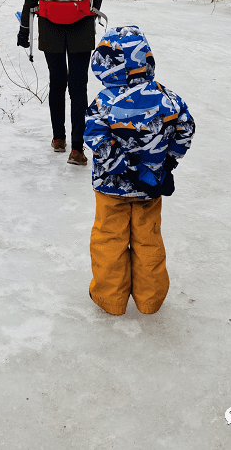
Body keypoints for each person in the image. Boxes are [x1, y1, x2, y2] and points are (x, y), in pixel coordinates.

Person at [83, 25, 195, 315]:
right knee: (148, 241)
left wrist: (121, 167)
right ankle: (150, 300)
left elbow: (95, 136)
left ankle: (111, 299)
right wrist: (168, 161)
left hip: (110, 189)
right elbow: (186, 128)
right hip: (150, 187)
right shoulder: (167, 98)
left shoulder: (104, 102)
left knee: (109, 241)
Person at [17, 0, 103, 166]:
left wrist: (24, 28)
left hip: (49, 25)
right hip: (81, 26)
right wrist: (88, 13)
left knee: (57, 82)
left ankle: (58, 138)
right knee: (79, 86)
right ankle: (77, 149)